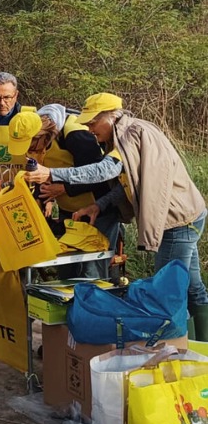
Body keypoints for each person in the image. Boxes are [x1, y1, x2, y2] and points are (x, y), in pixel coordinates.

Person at [25, 93, 208, 340]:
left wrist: (54, 174)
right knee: (193, 288)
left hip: (176, 221)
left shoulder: (130, 135)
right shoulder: (123, 134)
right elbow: (127, 181)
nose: (88, 129)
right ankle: (201, 349)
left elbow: (105, 170)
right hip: (189, 214)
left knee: (168, 293)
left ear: (110, 117)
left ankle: (179, 349)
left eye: (92, 123)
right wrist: (99, 205)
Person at [8, 104, 113, 278]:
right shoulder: (32, 134)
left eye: (32, 146)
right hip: (69, 214)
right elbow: (39, 176)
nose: (29, 151)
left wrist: (64, 188)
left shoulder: (76, 136)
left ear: (43, 135)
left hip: (97, 212)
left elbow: (99, 176)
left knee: (92, 274)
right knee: (65, 273)